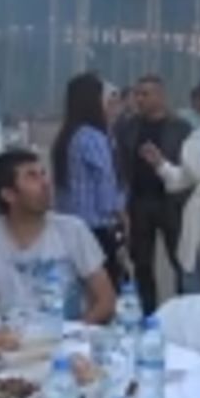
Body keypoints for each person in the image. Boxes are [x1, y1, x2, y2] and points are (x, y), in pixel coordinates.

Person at [0, 148, 117, 323]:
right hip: (5, 337)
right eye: (32, 177)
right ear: (9, 195)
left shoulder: (72, 230)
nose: (45, 183)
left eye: (43, 174)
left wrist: (75, 331)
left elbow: (106, 301)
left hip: (64, 336)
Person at [139, 76, 200, 294]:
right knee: (192, 282)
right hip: (195, 219)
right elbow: (182, 179)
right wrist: (160, 164)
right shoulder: (197, 136)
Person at [117, 74, 193, 314]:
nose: (139, 99)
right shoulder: (128, 127)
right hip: (139, 203)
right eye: (137, 94)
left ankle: (183, 311)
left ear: (160, 96)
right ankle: (148, 312)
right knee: (141, 262)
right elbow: (120, 164)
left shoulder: (181, 128)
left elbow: (188, 167)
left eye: (145, 94)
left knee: (180, 260)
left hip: (171, 203)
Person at [52, 72, 127, 286]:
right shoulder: (93, 138)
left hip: (68, 225)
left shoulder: (67, 136)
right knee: (104, 290)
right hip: (95, 228)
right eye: (107, 99)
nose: (111, 105)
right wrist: (121, 213)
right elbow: (106, 193)